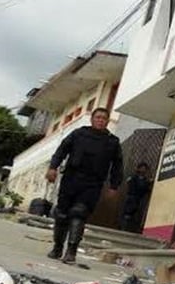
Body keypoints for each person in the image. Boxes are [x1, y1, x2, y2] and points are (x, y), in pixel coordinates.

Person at [45, 107, 123, 264]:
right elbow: (62, 150)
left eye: (104, 118)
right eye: (98, 117)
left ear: (107, 121)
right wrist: (53, 167)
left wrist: (114, 186)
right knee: (61, 214)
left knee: (79, 213)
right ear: (92, 119)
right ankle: (57, 247)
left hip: (92, 184)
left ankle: (71, 251)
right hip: (70, 179)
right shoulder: (78, 134)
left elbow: (117, 165)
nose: (100, 120)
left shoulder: (112, 142)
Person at [120, 162, 152, 233]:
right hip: (132, 198)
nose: (143, 170)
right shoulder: (133, 178)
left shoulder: (145, 180)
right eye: (141, 168)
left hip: (140, 200)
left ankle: (133, 229)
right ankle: (124, 228)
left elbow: (145, 189)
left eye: (144, 169)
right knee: (127, 215)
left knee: (136, 217)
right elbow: (134, 187)